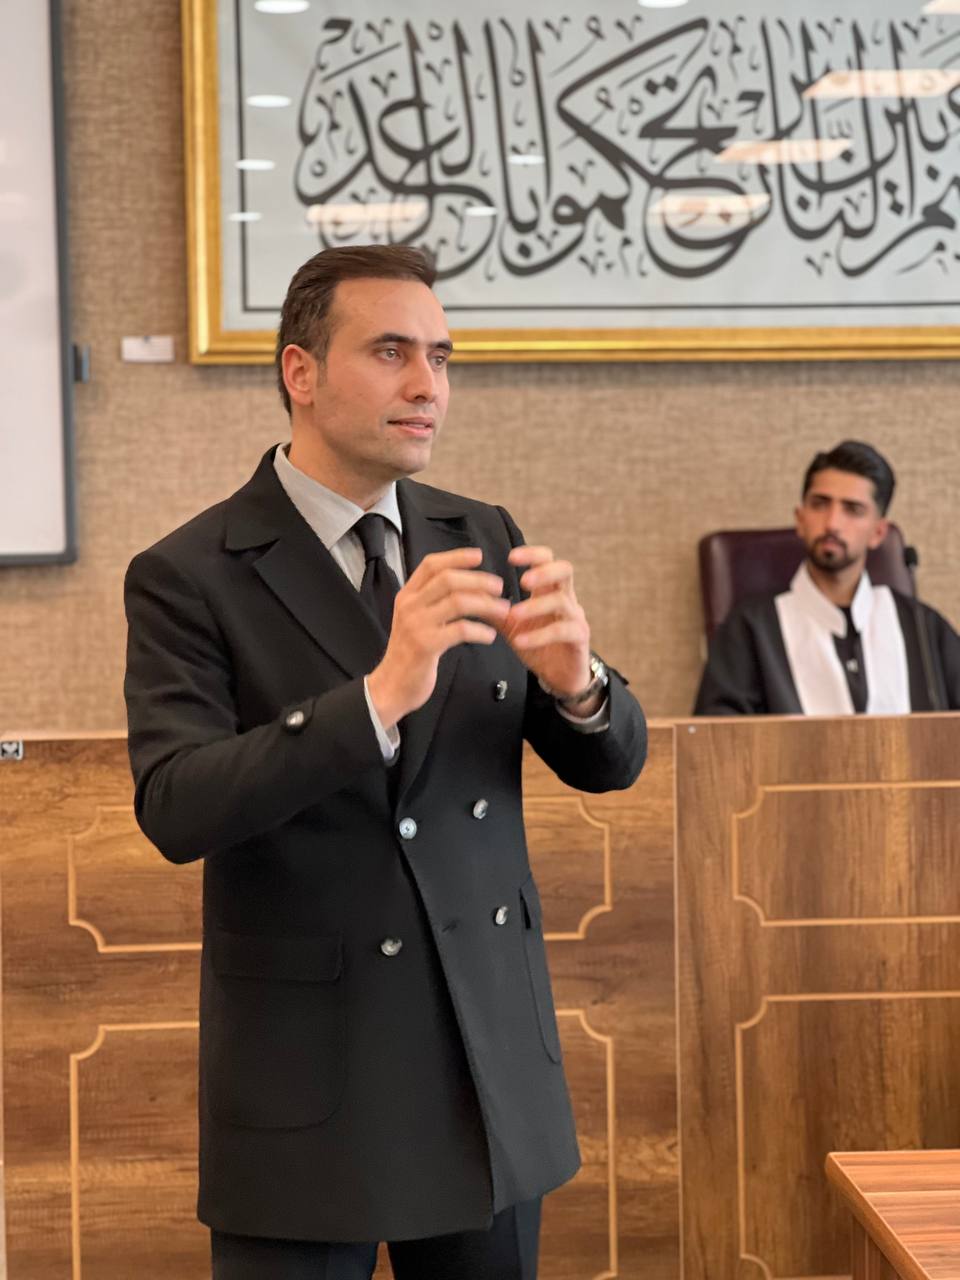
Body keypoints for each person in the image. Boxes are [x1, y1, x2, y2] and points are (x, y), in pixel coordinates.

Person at [123, 244, 647, 1279]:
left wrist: (578, 682)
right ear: (301, 372)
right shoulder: (189, 572)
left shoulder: (481, 533)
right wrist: (374, 699)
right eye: (392, 353)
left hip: (484, 1067)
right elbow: (175, 806)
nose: (427, 386)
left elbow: (609, 763)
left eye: (441, 358)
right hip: (309, 1083)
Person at [694, 440, 960, 716]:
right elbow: (718, 735)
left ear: (878, 532)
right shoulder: (751, 628)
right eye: (820, 504)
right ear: (800, 519)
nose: (832, 523)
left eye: (852, 509)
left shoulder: (923, 628)